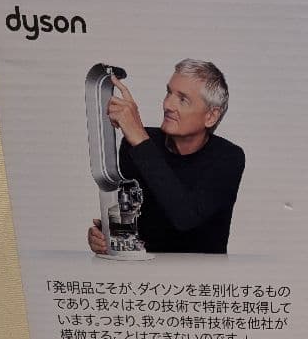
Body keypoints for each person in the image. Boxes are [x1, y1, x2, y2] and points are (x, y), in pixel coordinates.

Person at [88, 59, 245, 255]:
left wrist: (139, 137)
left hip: (201, 272)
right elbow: (129, 219)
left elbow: (186, 217)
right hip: (146, 270)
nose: (167, 104)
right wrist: (107, 235)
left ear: (211, 116)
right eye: (169, 92)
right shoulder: (137, 143)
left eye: (182, 99)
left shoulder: (228, 157)